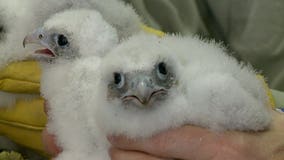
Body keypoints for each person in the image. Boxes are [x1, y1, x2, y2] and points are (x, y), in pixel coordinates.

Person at [43, 0, 284, 159]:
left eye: (159, 72)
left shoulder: (210, 92)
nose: (142, 89)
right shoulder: (83, 92)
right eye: (118, 80)